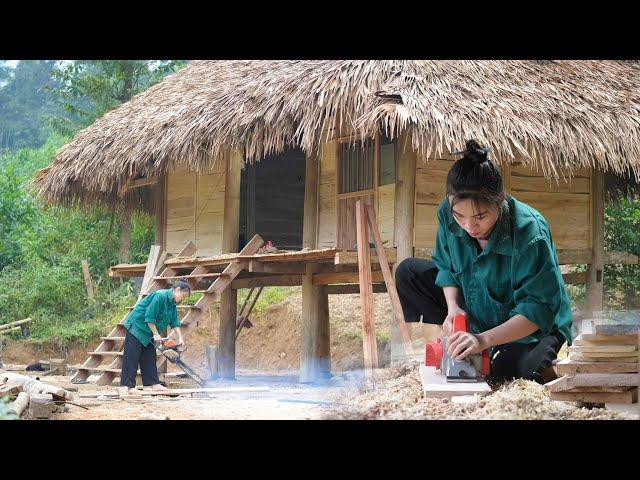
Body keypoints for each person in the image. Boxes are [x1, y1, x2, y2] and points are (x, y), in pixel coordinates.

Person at [395, 140, 572, 385]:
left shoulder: (530, 233)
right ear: (450, 203)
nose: (469, 227)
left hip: (531, 326)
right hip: (477, 303)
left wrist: (483, 340)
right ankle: (461, 341)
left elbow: (537, 309)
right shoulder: (447, 213)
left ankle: (492, 348)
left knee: (504, 377)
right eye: (460, 216)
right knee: (408, 273)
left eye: (480, 217)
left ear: (500, 201)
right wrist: (453, 308)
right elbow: (446, 267)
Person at [120, 280, 191, 394]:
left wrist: (180, 337)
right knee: (132, 356)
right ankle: (127, 386)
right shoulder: (160, 296)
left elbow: (174, 321)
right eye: (183, 296)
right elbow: (149, 317)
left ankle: (154, 384)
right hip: (137, 326)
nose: (182, 299)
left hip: (148, 331)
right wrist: (156, 334)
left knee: (149, 356)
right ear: (177, 290)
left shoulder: (172, 303)